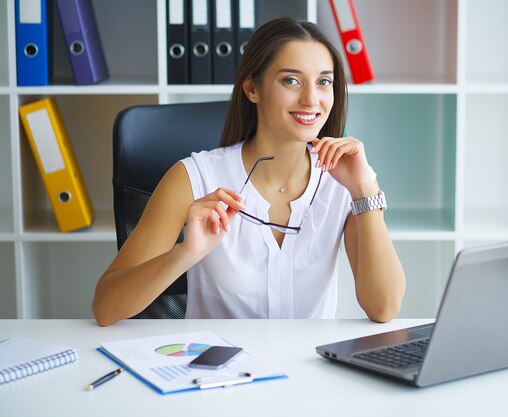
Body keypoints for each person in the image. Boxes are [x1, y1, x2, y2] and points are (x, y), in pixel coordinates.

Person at [92, 18, 405, 326]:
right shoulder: (193, 177)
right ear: (252, 89)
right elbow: (106, 308)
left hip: (310, 371)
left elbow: (384, 308)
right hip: (219, 371)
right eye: (291, 80)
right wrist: (187, 253)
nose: (312, 99)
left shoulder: (344, 181)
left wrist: (365, 189)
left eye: (324, 81)